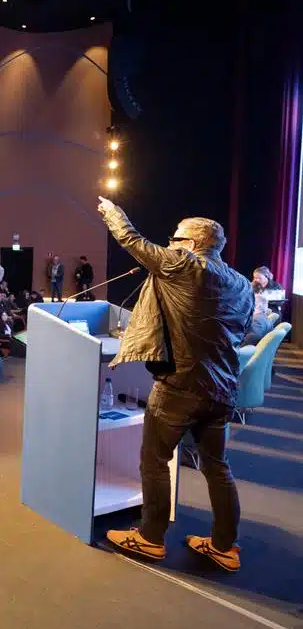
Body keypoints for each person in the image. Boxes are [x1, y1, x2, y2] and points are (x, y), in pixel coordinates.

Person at [97, 197, 253, 572]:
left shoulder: (184, 264)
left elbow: (133, 241)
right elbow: (242, 331)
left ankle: (150, 538)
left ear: (193, 244)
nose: (170, 245)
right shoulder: (242, 283)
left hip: (179, 386)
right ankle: (224, 546)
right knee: (217, 466)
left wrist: (112, 213)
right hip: (222, 389)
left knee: (154, 460)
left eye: (176, 239)